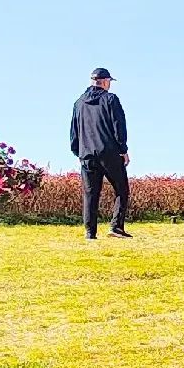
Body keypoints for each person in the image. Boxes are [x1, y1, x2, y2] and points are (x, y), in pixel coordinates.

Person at [69, 68, 132, 240]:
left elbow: (74, 131)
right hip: (109, 152)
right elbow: (119, 125)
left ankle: (90, 233)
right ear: (105, 82)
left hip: (86, 154)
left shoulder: (79, 103)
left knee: (90, 193)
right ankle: (116, 227)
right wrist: (123, 150)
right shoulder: (110, 99)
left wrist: (78, 151)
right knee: (122, 189)